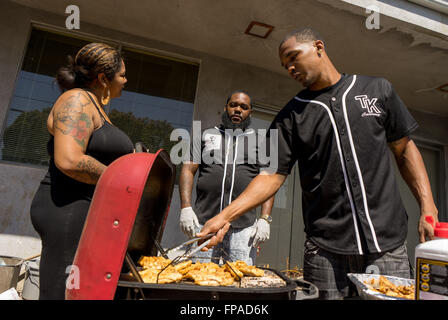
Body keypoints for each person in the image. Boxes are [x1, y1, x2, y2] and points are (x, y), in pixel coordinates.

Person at [197, 28, 439, 299]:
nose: (289, 68)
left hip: (388, 246)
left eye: (293, 57)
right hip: (325, 254)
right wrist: (223, 217)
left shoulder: (376, 89)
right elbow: (270, 176)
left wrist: (427, 206)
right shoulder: (290, 117)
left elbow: (404, 149)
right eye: (284, 64)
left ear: (319, 47)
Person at [30, 43, 134, 300]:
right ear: (103, 78)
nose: (126, 80)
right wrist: (120, 180)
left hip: (88, 209)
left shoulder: (96, 107)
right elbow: (69, 159)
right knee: (61, 293)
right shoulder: (76, 100)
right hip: (68, 207)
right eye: (121, 75)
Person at [179, 91, 275, 265]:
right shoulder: (205, 135)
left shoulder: (261, 141)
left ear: (250, 112)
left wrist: (264, 218)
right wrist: (185, 207)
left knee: (238, 280)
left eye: (244, 107)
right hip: (205, 224)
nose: (238, 110)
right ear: (225, 108)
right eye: (233, 105)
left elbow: (268, 180)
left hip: (243, 228)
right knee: (201, 278)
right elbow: (188, 169)